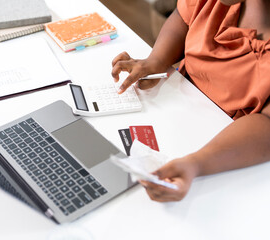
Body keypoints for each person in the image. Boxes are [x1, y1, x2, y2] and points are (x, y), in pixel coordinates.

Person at [111, 0, 270, 202]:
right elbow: (184, 17)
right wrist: (157, 59)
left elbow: (266, 125)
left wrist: (196, 164)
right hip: (177, 115)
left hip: (229, 152)